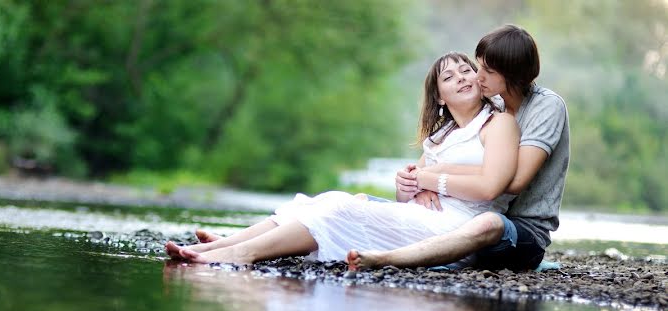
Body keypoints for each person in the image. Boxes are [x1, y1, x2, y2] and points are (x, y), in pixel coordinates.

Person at [165, 51, 519, 265]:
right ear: (439, 97)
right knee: (327, 200)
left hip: (456, 229)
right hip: (419, 219)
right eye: (449, 75)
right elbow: (409, 192)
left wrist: (430, 179)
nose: (462, 77)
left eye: (467, 70)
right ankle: (228, 243)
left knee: (339, 208)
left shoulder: (497, 123)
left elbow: (490, 187)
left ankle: (243, 254)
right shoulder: (440, 137)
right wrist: (409, 186)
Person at [348, 24, 570, 272]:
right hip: (464, 216)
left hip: (519, 230)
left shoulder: (546, 108)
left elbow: (513, 181)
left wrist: (438, 175)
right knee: (359, 203)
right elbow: (425, 165)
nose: (477, 76)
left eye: (487, 70)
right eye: (479, 66)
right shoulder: (491, 101)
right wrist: (418, 184)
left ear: (511, 73)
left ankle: (387, 259)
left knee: (488, 223)